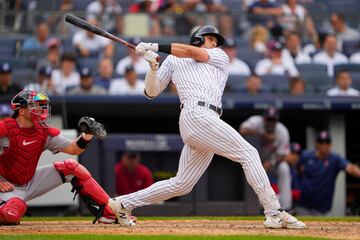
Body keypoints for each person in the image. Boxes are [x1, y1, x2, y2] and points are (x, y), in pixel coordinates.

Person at [108, 25, 305, 229]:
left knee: (182, 184)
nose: (215, 43)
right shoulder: (174, 60)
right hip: (195, 115)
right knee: (249, 153)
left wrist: (155, 45)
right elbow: (151, 93)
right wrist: (153, 67)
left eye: (215, 40)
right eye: (210, 38)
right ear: (198, 38)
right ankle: (274, 212)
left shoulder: (219, 56)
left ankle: (123, 203)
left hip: (206, 118)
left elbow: (192, 52)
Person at [0, 90, 117, 225]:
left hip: (30, 182)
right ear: (21, 111)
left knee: (71, 167)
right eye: (35, 105)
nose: (41, 109)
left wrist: (87, 135)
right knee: (11, 215)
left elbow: (74, 149)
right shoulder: (5, 130)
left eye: (42, 105)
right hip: (7, 187)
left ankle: (109, 212)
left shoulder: (43, 132)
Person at [240, 107, 293, 211]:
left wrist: (270, 163)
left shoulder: (282, 131)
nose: (270, 123)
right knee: (252, 175)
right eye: (268, 119)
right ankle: (257, 208)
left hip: (272, 162)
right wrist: (262, 135)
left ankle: (286, 207)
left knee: (284, 168)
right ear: (263, 119)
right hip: (255, 161)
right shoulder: (256, 121)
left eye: (273, 120)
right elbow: (242, 130)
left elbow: (282, 154)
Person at [297, 131, 360, 215]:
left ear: (330, 144)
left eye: (327, 142)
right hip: (303, 206)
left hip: (322, 209)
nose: (324, 145)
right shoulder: (306, 156)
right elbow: (297, 169)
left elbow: (350, 168)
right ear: (317, 144)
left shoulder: (335, 159)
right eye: (321, 142)